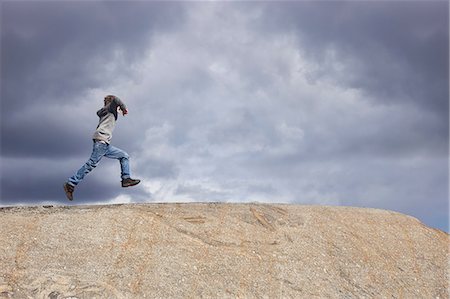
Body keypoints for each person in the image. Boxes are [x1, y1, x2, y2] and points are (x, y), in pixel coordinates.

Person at [63, 95, 140, 201]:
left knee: (124, 156)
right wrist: (123, 108)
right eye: (116, 107)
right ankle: (70, 183)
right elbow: (117, 100)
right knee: (91, 164)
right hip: (101, 142)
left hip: (105, 144)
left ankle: (126, 179)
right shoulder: (110, 108)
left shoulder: (105, 111)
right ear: (113, 104)